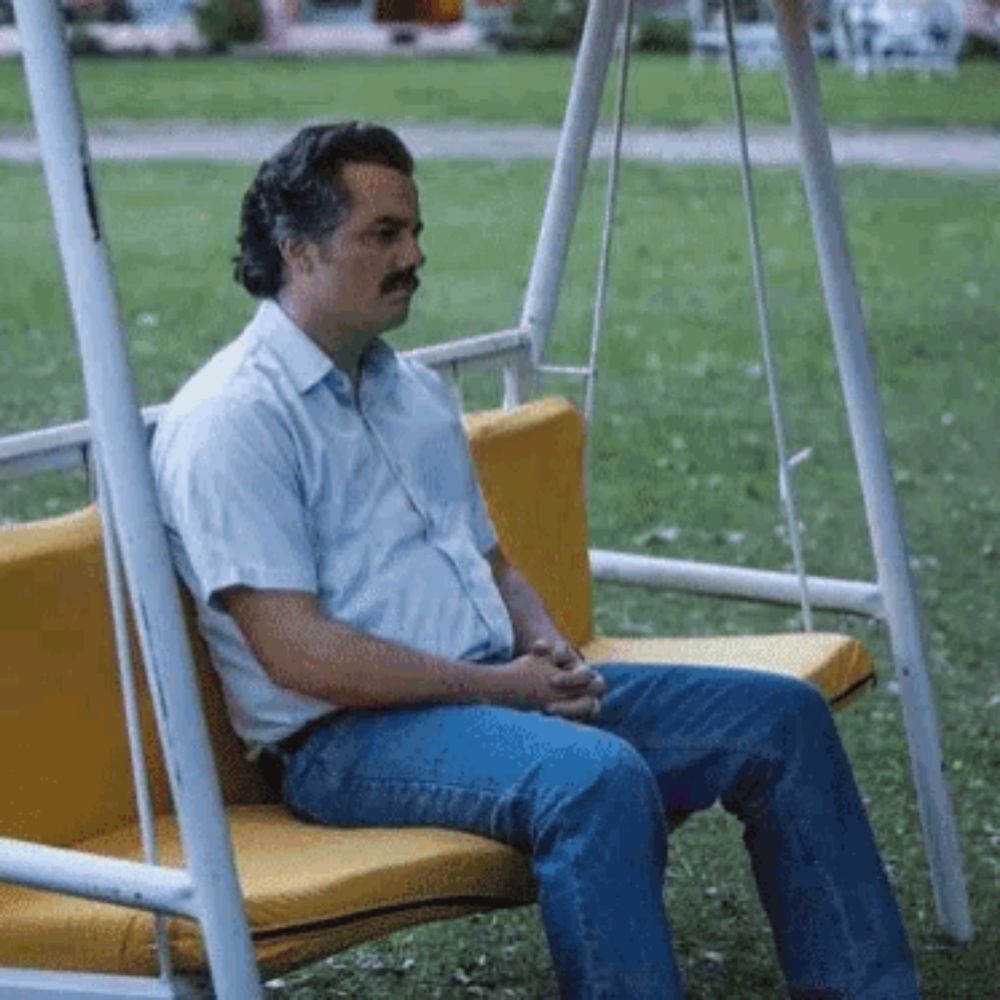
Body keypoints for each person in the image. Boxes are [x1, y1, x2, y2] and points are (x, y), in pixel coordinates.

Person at [152, 122, 920, 999]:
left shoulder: (407, 390)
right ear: (298, 249)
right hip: (345, 739)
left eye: (415, 232)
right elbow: (296, 653)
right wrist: (502, 688)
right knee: (597, 779)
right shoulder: (233, 419)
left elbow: (494, 563)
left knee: (781, 719)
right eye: (383, 235)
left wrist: (550, 652)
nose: (413, 256)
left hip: (493, 688)